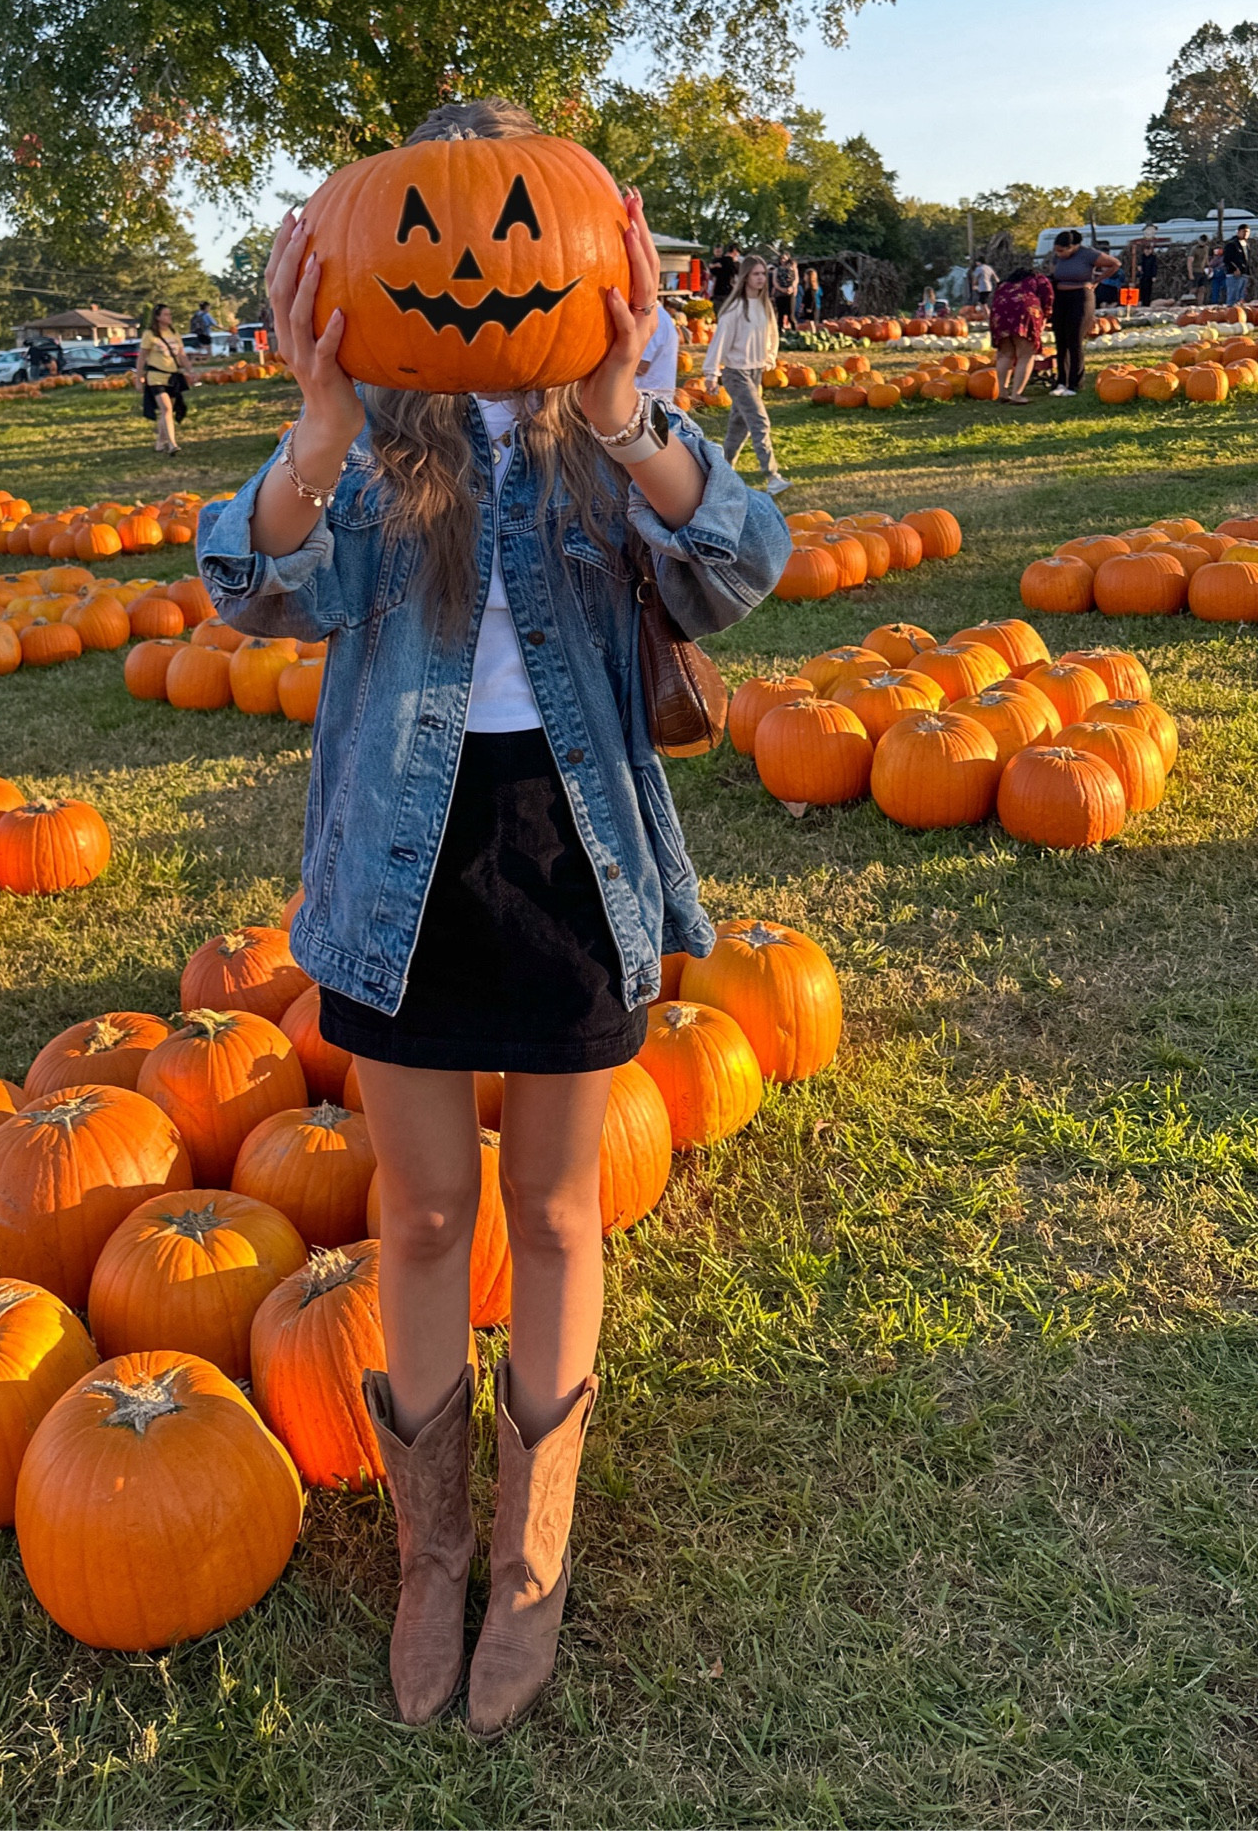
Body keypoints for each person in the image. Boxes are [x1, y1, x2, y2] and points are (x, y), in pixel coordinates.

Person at [199, 97, 791, 1740]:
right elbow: (248, 592)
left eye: (522, 225)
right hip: (400, 866)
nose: (476, 258)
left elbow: (744, 563)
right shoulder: (378, 438)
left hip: (573, 851)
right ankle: (431, 1547)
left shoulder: (612, 428)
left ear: (592, 247)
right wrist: (315, 424)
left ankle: (526, 1556)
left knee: (550, 1210)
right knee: (422, 1213)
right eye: (427, 226)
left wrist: (622, 409)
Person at [703, 254, 791, 493]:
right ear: (746, 277)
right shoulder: (735, 308)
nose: (761, 278)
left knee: (738, 426)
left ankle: (721, 475)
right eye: (756, 274)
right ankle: (772, 477)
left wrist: (770, 357)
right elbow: (719, 342)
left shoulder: (764, 306)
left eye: (764, 274)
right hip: (736, 374)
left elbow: (772, 334)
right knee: (759, 421)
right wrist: (711, 374)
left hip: (755, 373)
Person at [1046, 228, 1118, 396]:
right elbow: (1053, 272)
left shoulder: (1088, 254)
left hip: (1080, 297)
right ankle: (1061, 381)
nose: (1059, 254)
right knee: (1060, 339)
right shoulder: (1057, 257)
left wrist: (1095, 281)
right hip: (1060, 297)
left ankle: (1074, 383)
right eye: (1057, 250)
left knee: (1074, 338)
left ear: (1073, 247)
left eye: (1062, 251)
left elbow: (1115, 264)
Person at [134, 304, 196, 454]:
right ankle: (172, 444)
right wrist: (139, 377)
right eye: (166, 315)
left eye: (170, 314)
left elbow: (181, 355)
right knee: (166, 408)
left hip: (172, 376)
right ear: (157, 317)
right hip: (156, 377)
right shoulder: (150, 334)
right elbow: (142, 357)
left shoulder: (174, 333)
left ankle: (160, 442)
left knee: (168, 411)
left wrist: (190, 371)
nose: (169, 317)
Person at [989, 267, 1048, 403]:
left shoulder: (1004, 284)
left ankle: (1002, 393)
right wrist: (1045, 318)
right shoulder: (1039, 279)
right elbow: (1048, 298)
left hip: (1000, 314)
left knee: (1005, 354)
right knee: (1025, 355)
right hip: (1024, 312)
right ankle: (1017, 395)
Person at [633, 301, 680, 396]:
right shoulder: (657, 315)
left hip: (650, 398)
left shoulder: (654, 319)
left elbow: (641, 367)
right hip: (650, 395)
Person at [708, 244, 741, 314]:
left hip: (717, 292)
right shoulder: (734, 264)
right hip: (729, 292)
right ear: (735, 251)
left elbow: (712, 275)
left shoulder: (717, 261)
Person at [770, 250, 798, 329]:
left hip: (790, 292)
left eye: (784, 258)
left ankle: (794, 330)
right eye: (781, 258)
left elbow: (796, 279)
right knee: (780, 314)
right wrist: (781, 289)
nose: (783, 260)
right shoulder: (777, 270)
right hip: (780, 293)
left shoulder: (793, 268)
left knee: (791, 314)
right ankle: (780, 330)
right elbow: (775, 281)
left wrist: (792, 287)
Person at [1224, 225, 1251, 307]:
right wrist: (1235, 268)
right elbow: (1227, 259)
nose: (1245, 234)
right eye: (1244, 232)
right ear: (1238, 232)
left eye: (1247, 232)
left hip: (1244, 272)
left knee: (1241, 294)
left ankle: (1240, 310)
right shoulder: (1232, 244)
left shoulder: (1246, 244)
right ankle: (1231, 311)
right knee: (1233, 294)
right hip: (1234, 273)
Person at [1135, 228, 1161, 308]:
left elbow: (1154, 267)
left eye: (1148, 250)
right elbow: (1139, 264)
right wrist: (1139, 269)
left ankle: (1147, 303)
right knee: (1142, 289)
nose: (1147, 252)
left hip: (1149, 275)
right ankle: (1143, 302)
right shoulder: (1142, 257)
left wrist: (1154, 276)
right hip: (1143, 275)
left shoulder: (1153, 258)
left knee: (1149, 289)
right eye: (1146, 250)